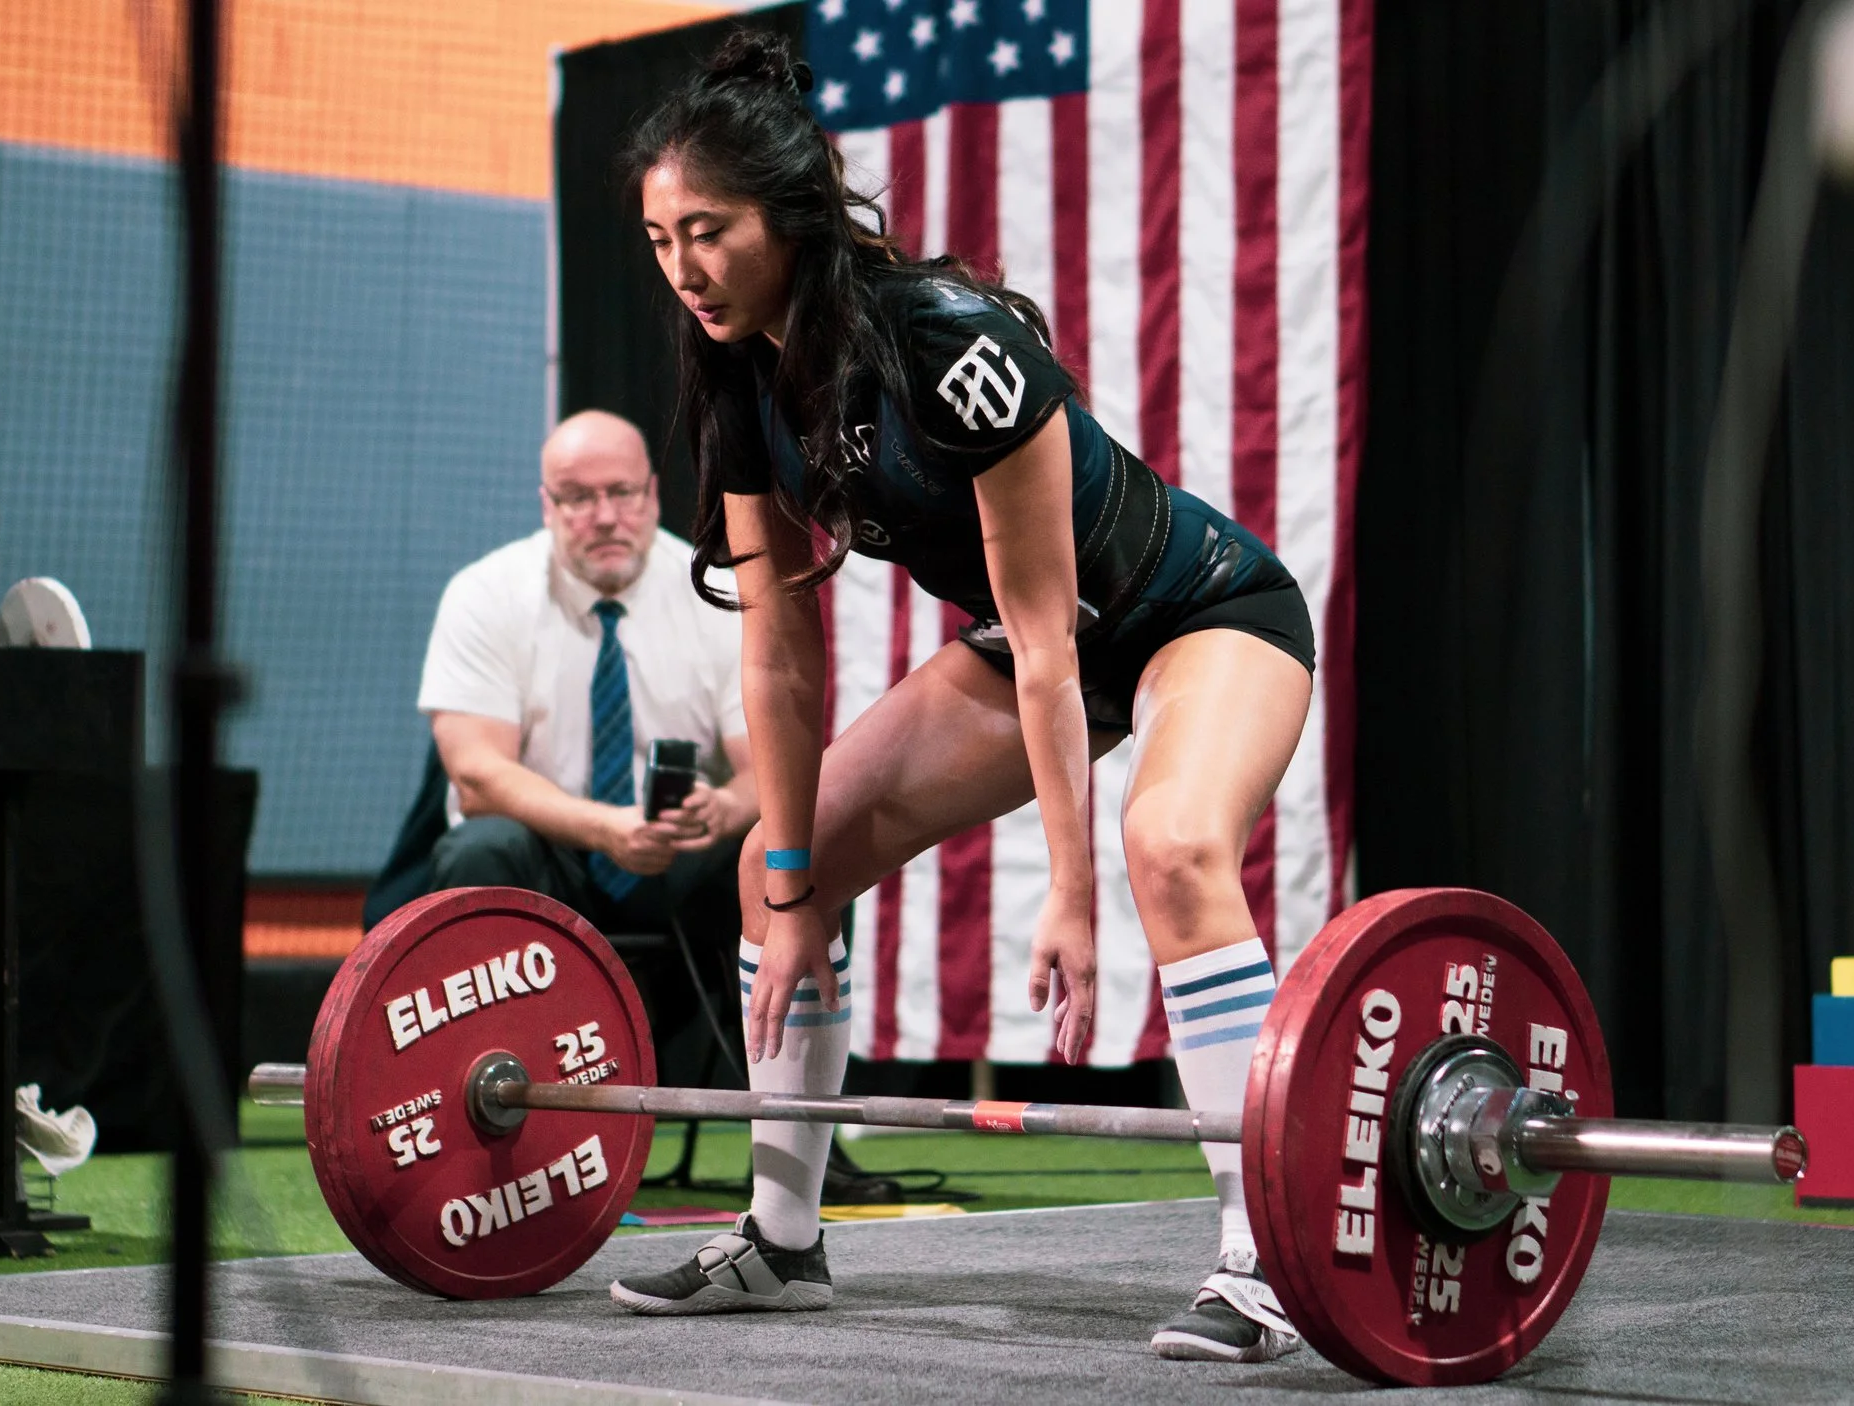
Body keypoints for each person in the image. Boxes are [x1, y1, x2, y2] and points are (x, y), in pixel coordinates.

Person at [603, 32, 1319, 1365]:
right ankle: (781, 1238)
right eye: (659, 241)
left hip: (1197, 613)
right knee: (775, 865)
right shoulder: (739, 381)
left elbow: (1049, 643)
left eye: (708, 232)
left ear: (788, 218)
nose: (683, 269)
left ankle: (1266, 1261)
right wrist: (794, 883)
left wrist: (1072, 894)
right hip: (1033, 645)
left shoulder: (944, 340)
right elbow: (782, 650)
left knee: (1171, 842)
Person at [415, 410, 758, 950]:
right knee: (483, 847)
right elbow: (477, 777)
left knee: (785, 847)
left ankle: (775, 1010)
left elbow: (766, 771)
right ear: (546, 506)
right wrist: (605, 828)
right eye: (577, 498)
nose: (605, 518)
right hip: (548, 847)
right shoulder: (484, 594)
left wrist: (724, 809)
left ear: (652, 495)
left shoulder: (719, 595)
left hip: (678, 856)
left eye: (622, 493)